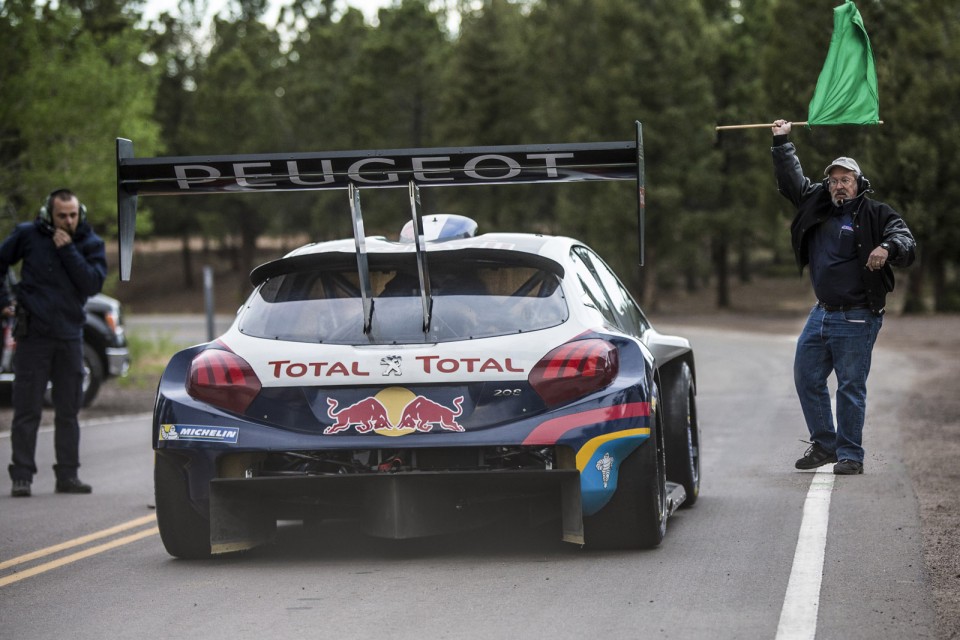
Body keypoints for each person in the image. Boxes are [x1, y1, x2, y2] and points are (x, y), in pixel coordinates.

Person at [771, 119, 916, 475]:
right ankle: (825, 444)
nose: (838, 186)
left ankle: (851, 453)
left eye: (845, 180)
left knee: (850, 385)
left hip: (858, 313)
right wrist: (781, 142)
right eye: (833, 181)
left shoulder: (877, 213)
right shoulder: (816, 205)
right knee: (806, 376)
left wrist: (886, 246)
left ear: (858, 184)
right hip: (821, 311)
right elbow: (792, 181)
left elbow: (906, 241)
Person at [1, 189, 107, 497]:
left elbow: (91, 283)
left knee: (68, 410)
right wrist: (4, 300)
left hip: (70, 337)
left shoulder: (89, 243)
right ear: (49, 213)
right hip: (32, 336)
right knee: (26, 410)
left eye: (73, 215)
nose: (68, 220)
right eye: (62, 215)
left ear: (80, 213)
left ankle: (68, 476)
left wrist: (68, 250)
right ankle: (22, 476)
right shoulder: (27, 235)